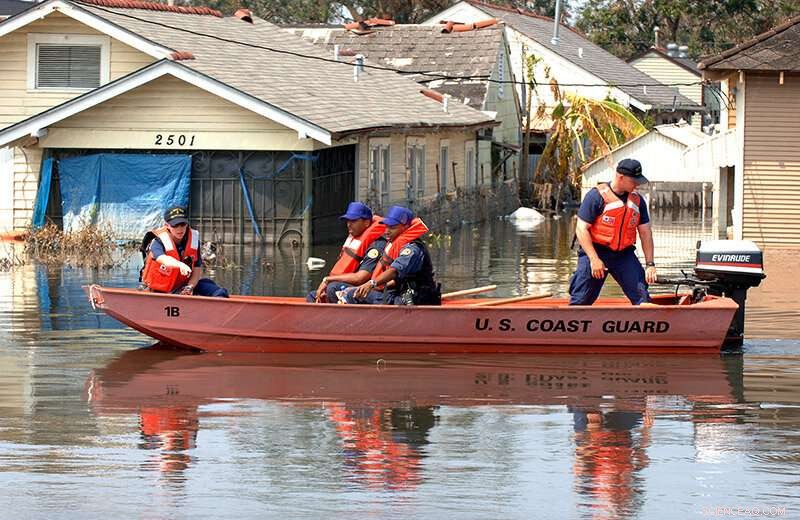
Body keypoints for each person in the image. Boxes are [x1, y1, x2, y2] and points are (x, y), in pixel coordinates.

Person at [569, 158, 657, 306]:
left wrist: (650, 264)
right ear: (620, 177)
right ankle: (571, 321)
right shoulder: (595, 196)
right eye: (634, 181)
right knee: (581, 299)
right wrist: (594, 259)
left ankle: (649, 323)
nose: (637, 185)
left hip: (624, 254)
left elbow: (645, 233)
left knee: (642, 297)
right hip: (596, 251)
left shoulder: (638, 201)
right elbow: (581, 229)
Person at [344, 206, 441, 305]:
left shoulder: (413, 249)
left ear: (405, 227)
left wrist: (371, 283)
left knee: (350, 294)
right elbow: (397, 280)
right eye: (386, 226)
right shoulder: (396, 244)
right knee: (352, 291)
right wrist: (368, 286)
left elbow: (394, 271)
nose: (386, 231)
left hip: (415, 299)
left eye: (392, 227)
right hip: (401, 294)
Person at [140, 205, 229, 297]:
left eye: (183, 224)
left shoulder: (193, 241)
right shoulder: (158, 241)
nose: (180, 229)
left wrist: (189, 287)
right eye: (175, 225)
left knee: (212, 287)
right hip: (157, 290)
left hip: (181, 287)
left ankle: (221, 306)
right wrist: (180, 264)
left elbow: (196, 270)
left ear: (187, 224)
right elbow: (161, 258)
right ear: (167, 225)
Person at [307, 201, 386, 303]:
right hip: (349, 287)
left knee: (333, 288)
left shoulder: (376, 246)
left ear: (366, 222)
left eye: (353, 221)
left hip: (368, 290)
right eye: (347, 221)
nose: (349, 224)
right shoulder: (354, 240)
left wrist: (328, 279)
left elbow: (360, 278)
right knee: (313, 295)